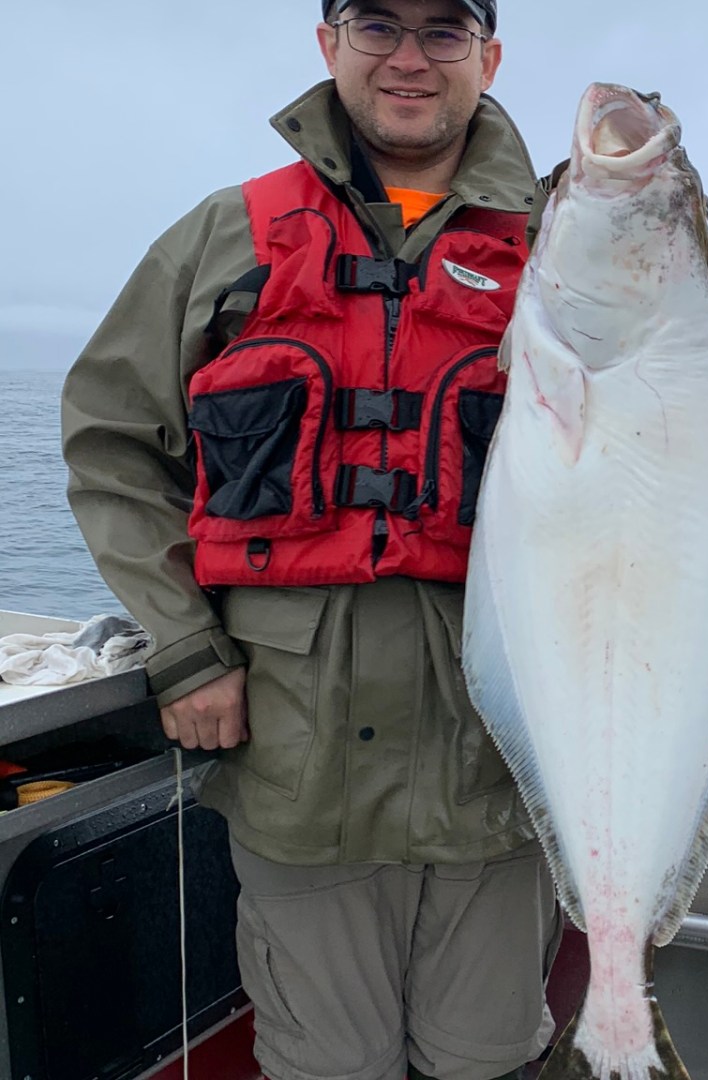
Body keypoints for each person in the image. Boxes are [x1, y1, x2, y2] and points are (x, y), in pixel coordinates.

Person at [61, 3, 561, 1078]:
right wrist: (185, 645)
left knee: (490, 1058)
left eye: (444, 31)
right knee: (325, 1064)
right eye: (377, 25)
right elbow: (111, 443)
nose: (410, 59)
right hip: (297, 760)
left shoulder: (567, 251)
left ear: (491, 55)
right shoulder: (223, 235)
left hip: (504, 754)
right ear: (327, 44)